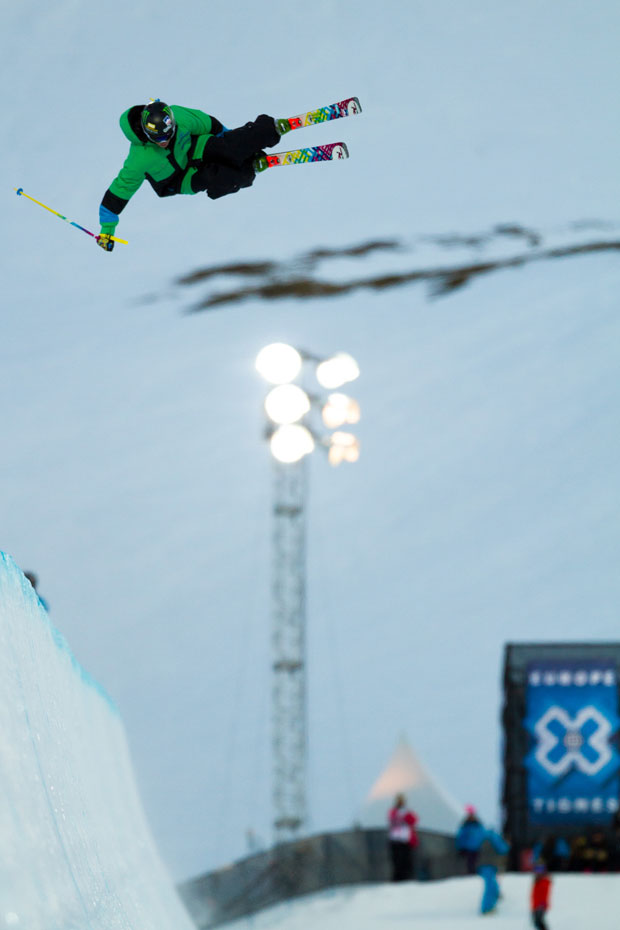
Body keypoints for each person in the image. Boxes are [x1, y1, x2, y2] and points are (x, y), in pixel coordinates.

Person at [97, 100, 281, 251]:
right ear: (146, 133)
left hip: (194, 148)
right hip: (179, 180)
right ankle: (249, 167)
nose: (164, 142)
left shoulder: (180, 117)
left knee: (229, 147)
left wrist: (238, 145)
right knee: (220, 177)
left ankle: (270, 129)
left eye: (168, 135)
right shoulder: (139, 159)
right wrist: (107, 230)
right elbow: (120, 191)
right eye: (158, 139)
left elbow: (210, 124)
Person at [387, 793, 419, 881]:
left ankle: (406, 877)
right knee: (398, 861)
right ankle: (399, 878)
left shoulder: (405, 812)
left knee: (406, 860)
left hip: (404, 840)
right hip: (396, 840)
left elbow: (413, 821)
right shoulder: (394, 812)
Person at [455, 805, 486, 875]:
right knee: (470, 863)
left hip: (477, 848)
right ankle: (471, 875)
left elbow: (483, 835)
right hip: (468, 849)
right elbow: (461, 837)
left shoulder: (478, 825)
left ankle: (475, 874)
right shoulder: (466, 825)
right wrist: (461, 848)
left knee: (476, 862)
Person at [530, 862, 552, 929]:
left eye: (540, 870)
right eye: (537, 870)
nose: (538, 872)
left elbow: (544, 894)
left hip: (541, 905)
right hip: (535, 905)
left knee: (539, 921)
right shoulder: (537, 881)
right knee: (536, 922)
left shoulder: (544, 881)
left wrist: (542, 904)